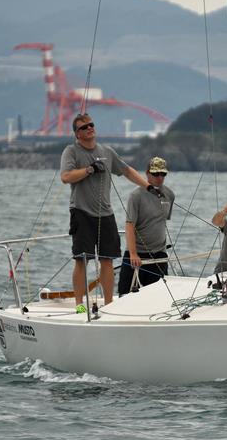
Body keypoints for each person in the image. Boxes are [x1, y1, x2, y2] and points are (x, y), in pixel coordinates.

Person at [60, 113, 149, 309]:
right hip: (81, 212)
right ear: (77, 134)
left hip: (105, 213)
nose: (89, 128)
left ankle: (109, 304)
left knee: (107, 260)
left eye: (91, 124)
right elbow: (66, 177)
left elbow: (126, 170)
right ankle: (79, 304)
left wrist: (148, 187)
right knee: (82, 259)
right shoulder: (71, 151)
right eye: (84, 127)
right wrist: (89, 169)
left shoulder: (107, 151)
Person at [118, 157, 176, 297]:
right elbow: (130, 225)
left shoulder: (169, 195)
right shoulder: (136, 196)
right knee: (124, 295)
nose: (160, 177)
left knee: (159, 297)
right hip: (137, 255)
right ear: (147, 173)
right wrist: (133, 253)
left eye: (163, 174)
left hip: (159, 255)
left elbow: (162, 221)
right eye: (156, 174)